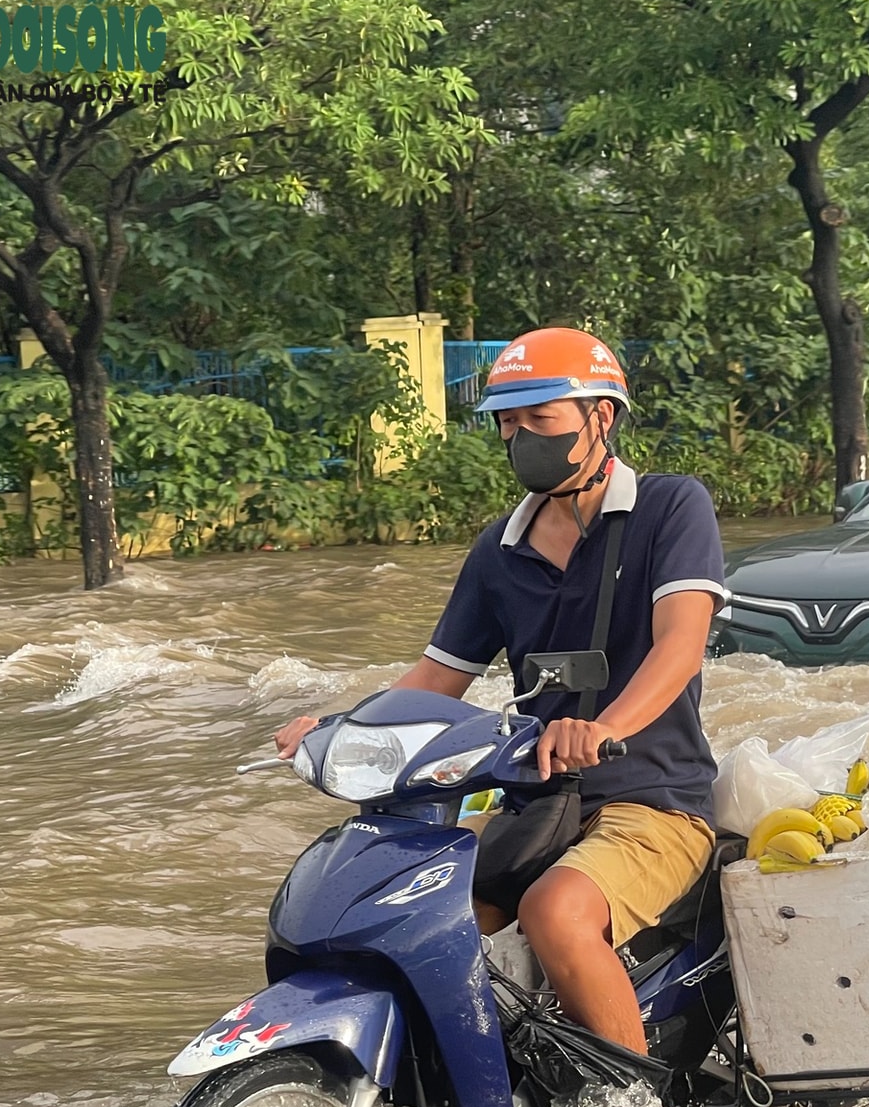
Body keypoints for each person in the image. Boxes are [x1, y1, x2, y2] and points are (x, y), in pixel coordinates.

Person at [273, 328, 728, 1056]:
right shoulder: (499, 550)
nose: (519, 437)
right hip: (536, 802)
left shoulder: (670, 508)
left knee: (556, 912)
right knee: (411, 910)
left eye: (538, 419)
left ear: (599, 418)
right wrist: (337, 726)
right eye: (507, 422)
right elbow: (435, 680)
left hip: (656, 801)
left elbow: (679, 645)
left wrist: (604, 727)